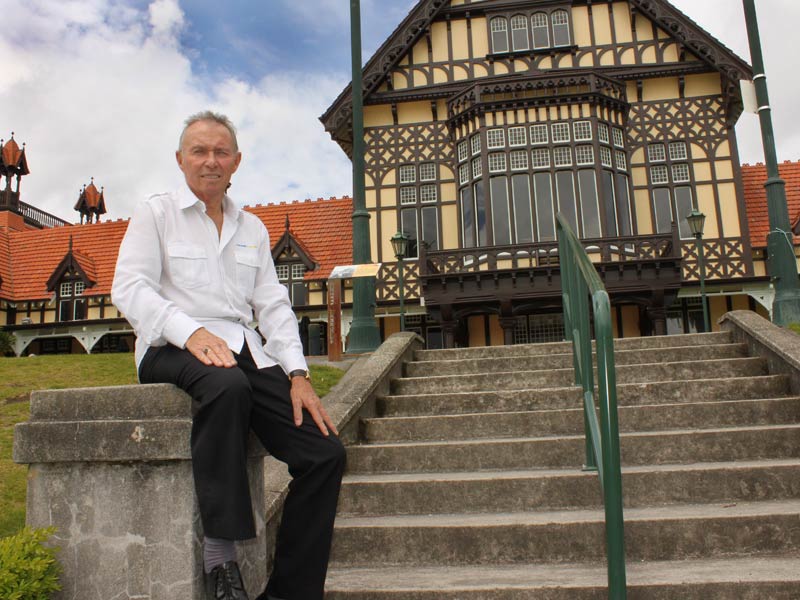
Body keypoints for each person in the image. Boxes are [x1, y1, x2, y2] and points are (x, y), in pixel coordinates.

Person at [111, 111, 346, 600]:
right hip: (168, 346)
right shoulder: (155, 213)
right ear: (180, 159)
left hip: (245, 351)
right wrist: (188, 330)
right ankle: (220, 558)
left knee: (324, 453)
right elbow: (129, 288)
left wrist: (298, 373)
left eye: (221, 152)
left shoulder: (253, 228)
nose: (210, 161)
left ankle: (291, 593)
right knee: (226, 385)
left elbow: (273, 306)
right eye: (199, 151)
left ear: (236, 162)